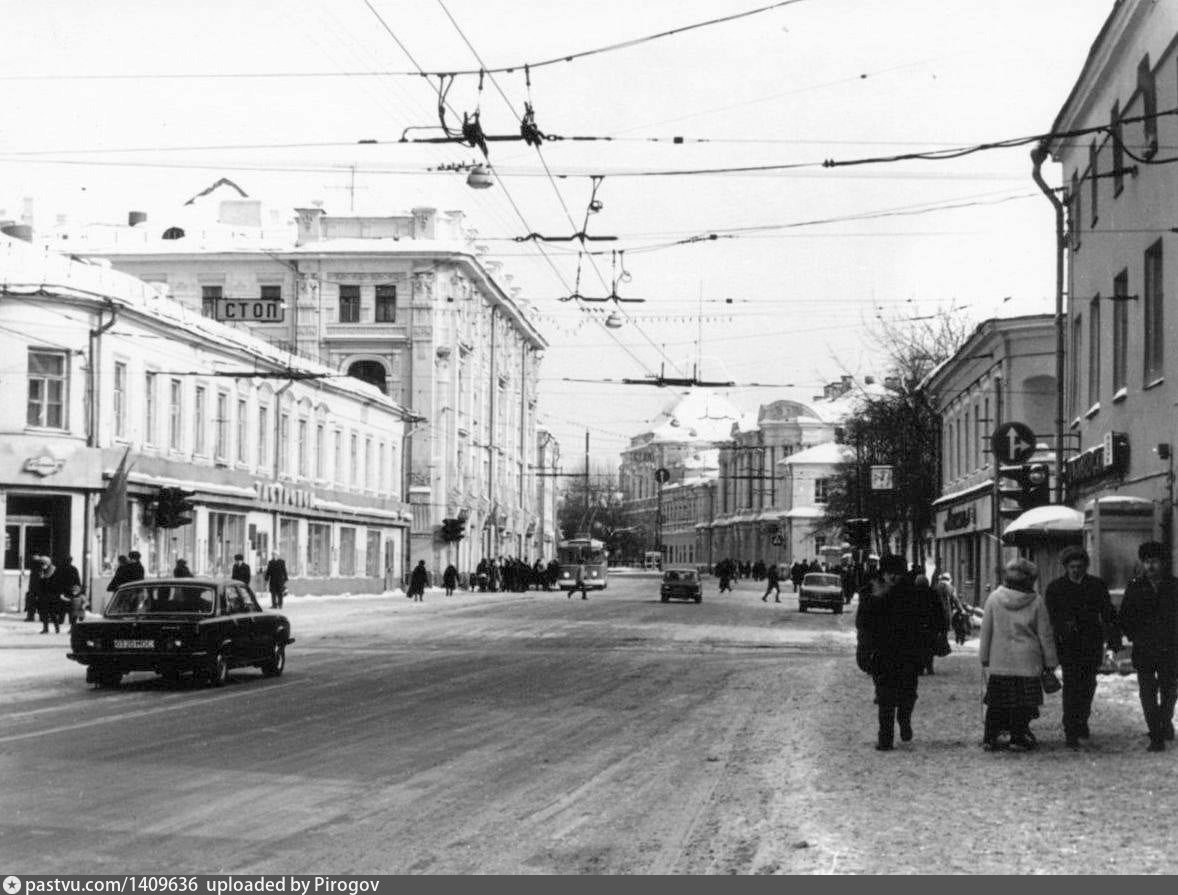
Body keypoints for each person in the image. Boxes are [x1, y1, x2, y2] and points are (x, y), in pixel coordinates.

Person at [855, 554, 943, 751]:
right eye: (889, 573)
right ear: (883, 573)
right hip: (882, 652)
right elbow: (863, 625)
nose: (893, 578)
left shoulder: (912, 594)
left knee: (908, 694)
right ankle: (885, 737)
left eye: (897, 574)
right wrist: (863, 651)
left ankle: (904, 720)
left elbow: (924, 622)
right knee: (885, 696)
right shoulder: (871, 593)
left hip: (908, 653)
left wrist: (925, 649)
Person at [1044, 546, 1121, 748]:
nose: (1076, 570)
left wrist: (1113, 640)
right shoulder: (1056, 588)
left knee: (1088, 686)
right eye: (1072, 567)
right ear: (1066, 567)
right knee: (1071, 686)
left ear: (1086, 566)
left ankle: (1082, 720)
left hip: (1090, 643)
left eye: (1079, 566)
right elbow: (1050, 617)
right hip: (1067, 644)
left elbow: (1108, 613)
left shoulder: (1096, 586)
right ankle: (1071, 728)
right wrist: (1062, 626)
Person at [979, 558, 1059, 752]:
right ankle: (1018, 736)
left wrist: (984, 656)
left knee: (997, 702)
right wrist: (1050, 661)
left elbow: (986, 629)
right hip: (1028, 660)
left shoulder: (994, 598)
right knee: (1023, 703)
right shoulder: (1036, 601)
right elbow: (1045, 635)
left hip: (1001, 658)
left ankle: (991, 737)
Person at [1118, 541, 1178, 752]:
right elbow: (1125, 616)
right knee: (1147, 691)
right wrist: (1134, 635)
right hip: (1144, 648)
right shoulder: (1135, 586)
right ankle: (1156, 733)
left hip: (1170, 648)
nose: (1150, 566)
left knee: (1169, 690)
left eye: (1155, 562)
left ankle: (1164, 720)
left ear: (1163, 563)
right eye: (1146, 562)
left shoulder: (1174, 586)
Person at [29, 556, 63, 634]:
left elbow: (56, 585)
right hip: (43, 596)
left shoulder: (54, 571)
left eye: (43, 563)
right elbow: (40, 584)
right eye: (41, 564)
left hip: (51, 596)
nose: (42, 565)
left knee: (52, 613)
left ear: (47, 563)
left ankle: (57, 628)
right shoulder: (42, 571)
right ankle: (45, 628)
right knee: (44, 613)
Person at [58, 555, 84, 627]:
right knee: (72, 608)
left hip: (63, 591)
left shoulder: (60, 568)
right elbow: (77, 581)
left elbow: (57, 580)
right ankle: (71, 623)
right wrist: (78, 591)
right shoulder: (74, 569)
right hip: (72, 591)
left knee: (62, 607)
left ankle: (61, 620)